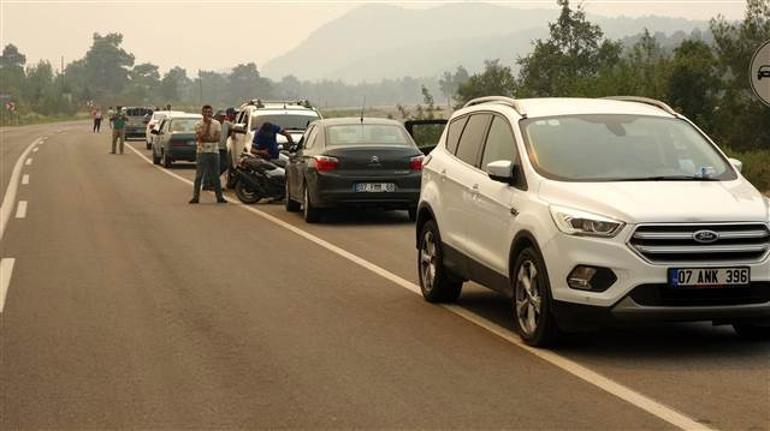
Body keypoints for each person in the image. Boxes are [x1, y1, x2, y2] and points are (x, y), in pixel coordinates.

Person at [190, 104, 226, 204]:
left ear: (212, 113)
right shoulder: (198, 124)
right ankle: (195, 197)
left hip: (214, 152)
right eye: (205, 112)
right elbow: (200, 138)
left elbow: (217, 138)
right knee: (199, 176)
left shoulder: (217, 123)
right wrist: (208, 125)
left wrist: (207, 138)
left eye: (209, 112)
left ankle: (219, 197)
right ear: (202, 113)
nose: (207, 114)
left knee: (215, 176)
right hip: (202, 152)